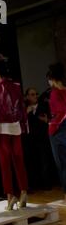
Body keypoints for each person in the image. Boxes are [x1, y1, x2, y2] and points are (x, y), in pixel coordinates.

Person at [0, 55, 28, 210]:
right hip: (16, 127)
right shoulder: (16, 86)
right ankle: (24, 191)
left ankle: (10, 196)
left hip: (2, 129)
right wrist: (24, 126)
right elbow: (22, 109)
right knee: (19, 161)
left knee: (5, 164)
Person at [46, 62, 66, 202]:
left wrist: (53, 123)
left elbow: (61, 111)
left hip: (58, 130)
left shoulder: (55, 93)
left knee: (62, 164)